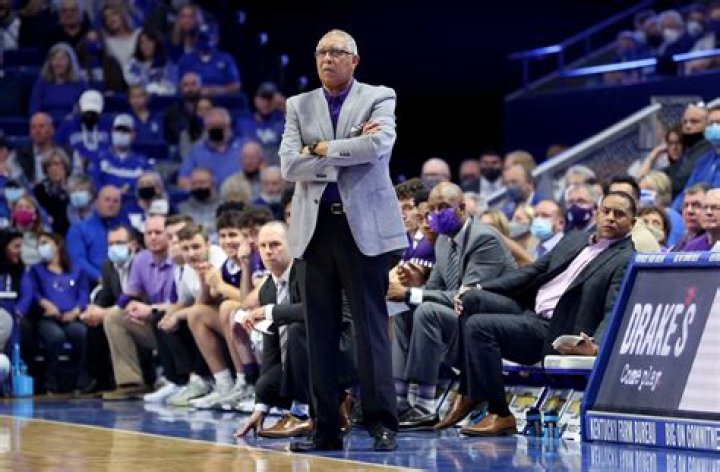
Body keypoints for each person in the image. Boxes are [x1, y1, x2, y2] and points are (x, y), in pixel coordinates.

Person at [279, 29, 406, 452]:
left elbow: (379, 144)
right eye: (320, 52)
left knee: (371, 330)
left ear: (354, 60)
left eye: (336, 52)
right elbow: (289, 166)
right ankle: (325, 428)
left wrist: (318, 149)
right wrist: (347, 151)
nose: (327, 58)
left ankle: (382, 423)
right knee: (319, 334)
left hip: (362, 230)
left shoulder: (379, 96)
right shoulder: (298, 104)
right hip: (314, 232)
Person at [439, 192, 636, 434]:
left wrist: (597, 345)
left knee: (479, 326)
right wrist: (478, 287)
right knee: (470, 299)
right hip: (531, 311)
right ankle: (469, 390)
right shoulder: (575, 239)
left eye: (619, 214)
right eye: (606, 211)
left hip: (554, 329)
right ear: (597, 213)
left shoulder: (625, 257)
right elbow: (533, 270)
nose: (610, 218)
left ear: (632, 222)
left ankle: (500, 413)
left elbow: (614, 306)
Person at [386, 182, 516, 430]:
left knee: (425, 310)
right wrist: (410, 291)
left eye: (443, 207)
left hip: (489, 324)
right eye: (432, 208)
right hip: (459, 319)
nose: (436, 214)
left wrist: (410, 293)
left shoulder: (484, 239)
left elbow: (468, 298)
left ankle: (424, 406)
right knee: (406, 310)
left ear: (462, 208)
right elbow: (434, 289)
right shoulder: (443, 241)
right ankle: (399, 399)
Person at [16, 232, 90, 392]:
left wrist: (76, 310)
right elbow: (32, 292)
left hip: (71, 318)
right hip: (47, 319)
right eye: (39, 245)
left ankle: (81, 382)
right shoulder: (35, 270)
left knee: (83, 334)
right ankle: (51, 384)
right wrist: (44, 303)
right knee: (56, 337)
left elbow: (84, 293)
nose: (41, 248)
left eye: (44, 243)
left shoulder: (76, 270)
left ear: (57, 245)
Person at [66, 185, 127, 282]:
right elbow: (77, 261)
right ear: (96, 202)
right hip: (91, 284)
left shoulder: (126, 230)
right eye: (107, 200)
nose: (111, 204)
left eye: (115, 201)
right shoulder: (78, 229)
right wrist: (101, 278)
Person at [30, 42, 87, 116]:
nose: (58, 63)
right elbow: (34, 109)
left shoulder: (80, 84)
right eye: (54, 59)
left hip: (72, 121)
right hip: (46, 122)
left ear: (70, 62)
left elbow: (86, 109)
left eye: (62, 59)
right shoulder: (42, 83)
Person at [33, 148, 72, 235]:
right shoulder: (39, 190)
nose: (53, 168)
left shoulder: (75, 188)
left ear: (65, 166)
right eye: (49, 165)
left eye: (57, 164)